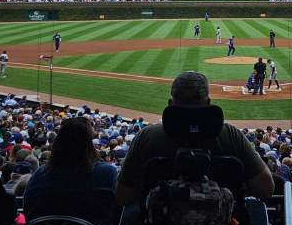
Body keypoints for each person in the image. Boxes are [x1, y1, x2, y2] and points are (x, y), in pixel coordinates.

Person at [116, 72, 274, 208]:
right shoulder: (231, 136)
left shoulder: (147, 137)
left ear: (170, 103)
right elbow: (266, 189)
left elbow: (123, 196)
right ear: (208, 103)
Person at [24, 117, 117, 225]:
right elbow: (115, 216)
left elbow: (29, 212)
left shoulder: (40, 173)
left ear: (59, 141)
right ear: (88, 143)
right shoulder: (108, 172)